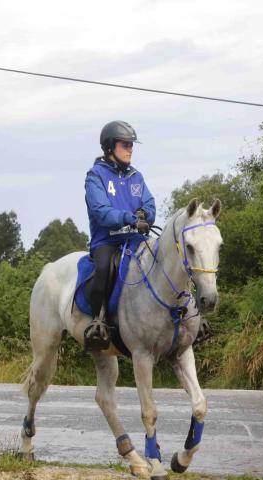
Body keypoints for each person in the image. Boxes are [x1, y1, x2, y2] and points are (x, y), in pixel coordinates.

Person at [83, 120, 156, 350]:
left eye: (131, 145)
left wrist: (145, 214)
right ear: (109, 147)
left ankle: (186, 315)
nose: (130, 149)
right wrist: (130, 218)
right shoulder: (95, 176)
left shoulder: (136, 176)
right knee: (103, 268)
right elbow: (101, 212)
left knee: (163, 258)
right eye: (125, 144)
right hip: (107, 241)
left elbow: (150, 203)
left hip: (135, 240)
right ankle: (98, 320)